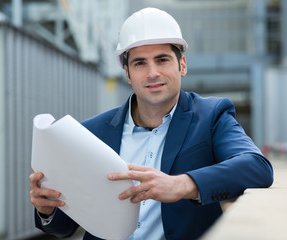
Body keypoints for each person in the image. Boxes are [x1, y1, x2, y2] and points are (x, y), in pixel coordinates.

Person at [29, 7, 273, 240]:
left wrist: (183, 184)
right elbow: (64, 228)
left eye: (162, 59)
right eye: (140, 63)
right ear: (127, 74)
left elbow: (256, 167)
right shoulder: (90, 133)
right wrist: (47, 209)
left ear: (182, 65)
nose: (152, 73)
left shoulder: (211, 117)